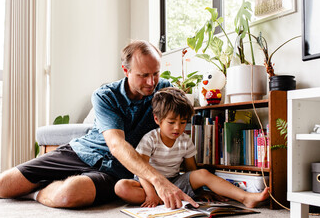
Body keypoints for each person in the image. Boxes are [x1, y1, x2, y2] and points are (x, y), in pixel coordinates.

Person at [0, 40, 198, 209]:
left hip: (115, 170)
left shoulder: (163, 91)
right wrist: (159, 181)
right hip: (83, 152)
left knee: (67, 195)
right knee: (1, 187)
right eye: (143, 75)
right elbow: (116, 145)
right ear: (126, 70)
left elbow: (177, 120)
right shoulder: (105, 95)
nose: (152, 82)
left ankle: (38, 192)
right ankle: (51, 182)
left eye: (155, 74)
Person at [115, 87, 270, 208]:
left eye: (183, 122)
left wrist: (200, 190)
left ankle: (245, 197)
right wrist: (151, 194)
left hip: (174, 182)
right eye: (171, 122)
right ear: (157, 119)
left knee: (202, 173)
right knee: (121, 187)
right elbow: (141, 170)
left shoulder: (185, 140)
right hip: (148, 183)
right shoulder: (150, 139)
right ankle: (161, 198)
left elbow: (191, 171)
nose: (177, 128)